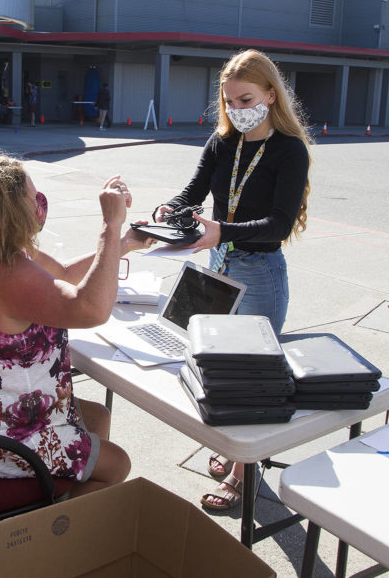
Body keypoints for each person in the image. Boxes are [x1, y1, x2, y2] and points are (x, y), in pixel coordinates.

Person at [0, 154, 153, 497]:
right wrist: (111, 225)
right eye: (33, 198)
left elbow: (61, 274)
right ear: (9, 212)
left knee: (98, 418)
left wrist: (123, 245)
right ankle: (54, 532)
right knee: (117, 464)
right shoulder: (7, 273)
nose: (40, 204)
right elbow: (91, 308)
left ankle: (63, 493)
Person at [153, 49, 311, 512]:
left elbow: (279, 224)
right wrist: (172, 209)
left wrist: (223, 230)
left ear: (270, 94)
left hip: (259, 270)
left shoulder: (289, 149)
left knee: (252, 379)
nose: (238, 111)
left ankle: (245, 473)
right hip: (218, 263)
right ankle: (234, 450)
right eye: (230, 102)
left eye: (246, 99)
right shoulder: (223, 142)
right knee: (217, 366)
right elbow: (193, 190)